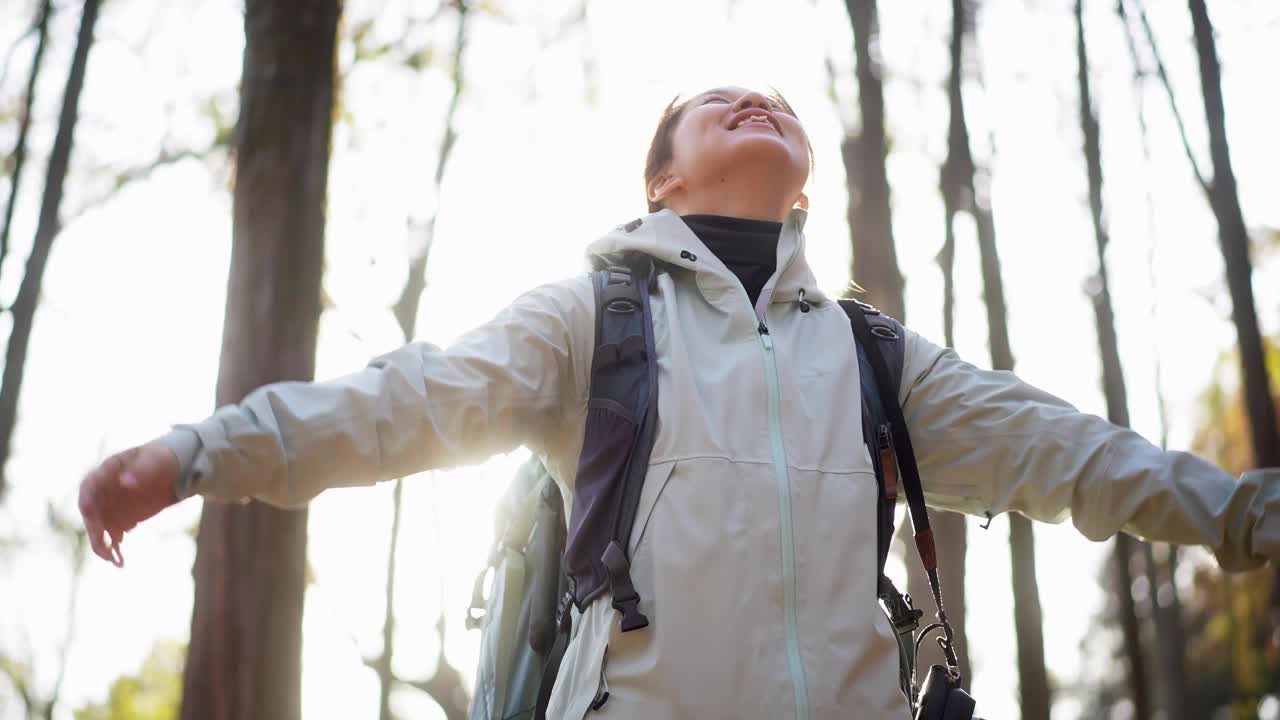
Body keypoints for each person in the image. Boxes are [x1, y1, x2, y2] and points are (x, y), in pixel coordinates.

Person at [78, 86, 1279, 719]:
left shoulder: (871, 357)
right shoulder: (590, 321)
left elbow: (1069, 454)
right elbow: (405, 400)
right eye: (715, 102)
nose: (752, 100)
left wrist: (1243, 514)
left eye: (769, 96)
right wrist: (194, 454)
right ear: (661, 177)